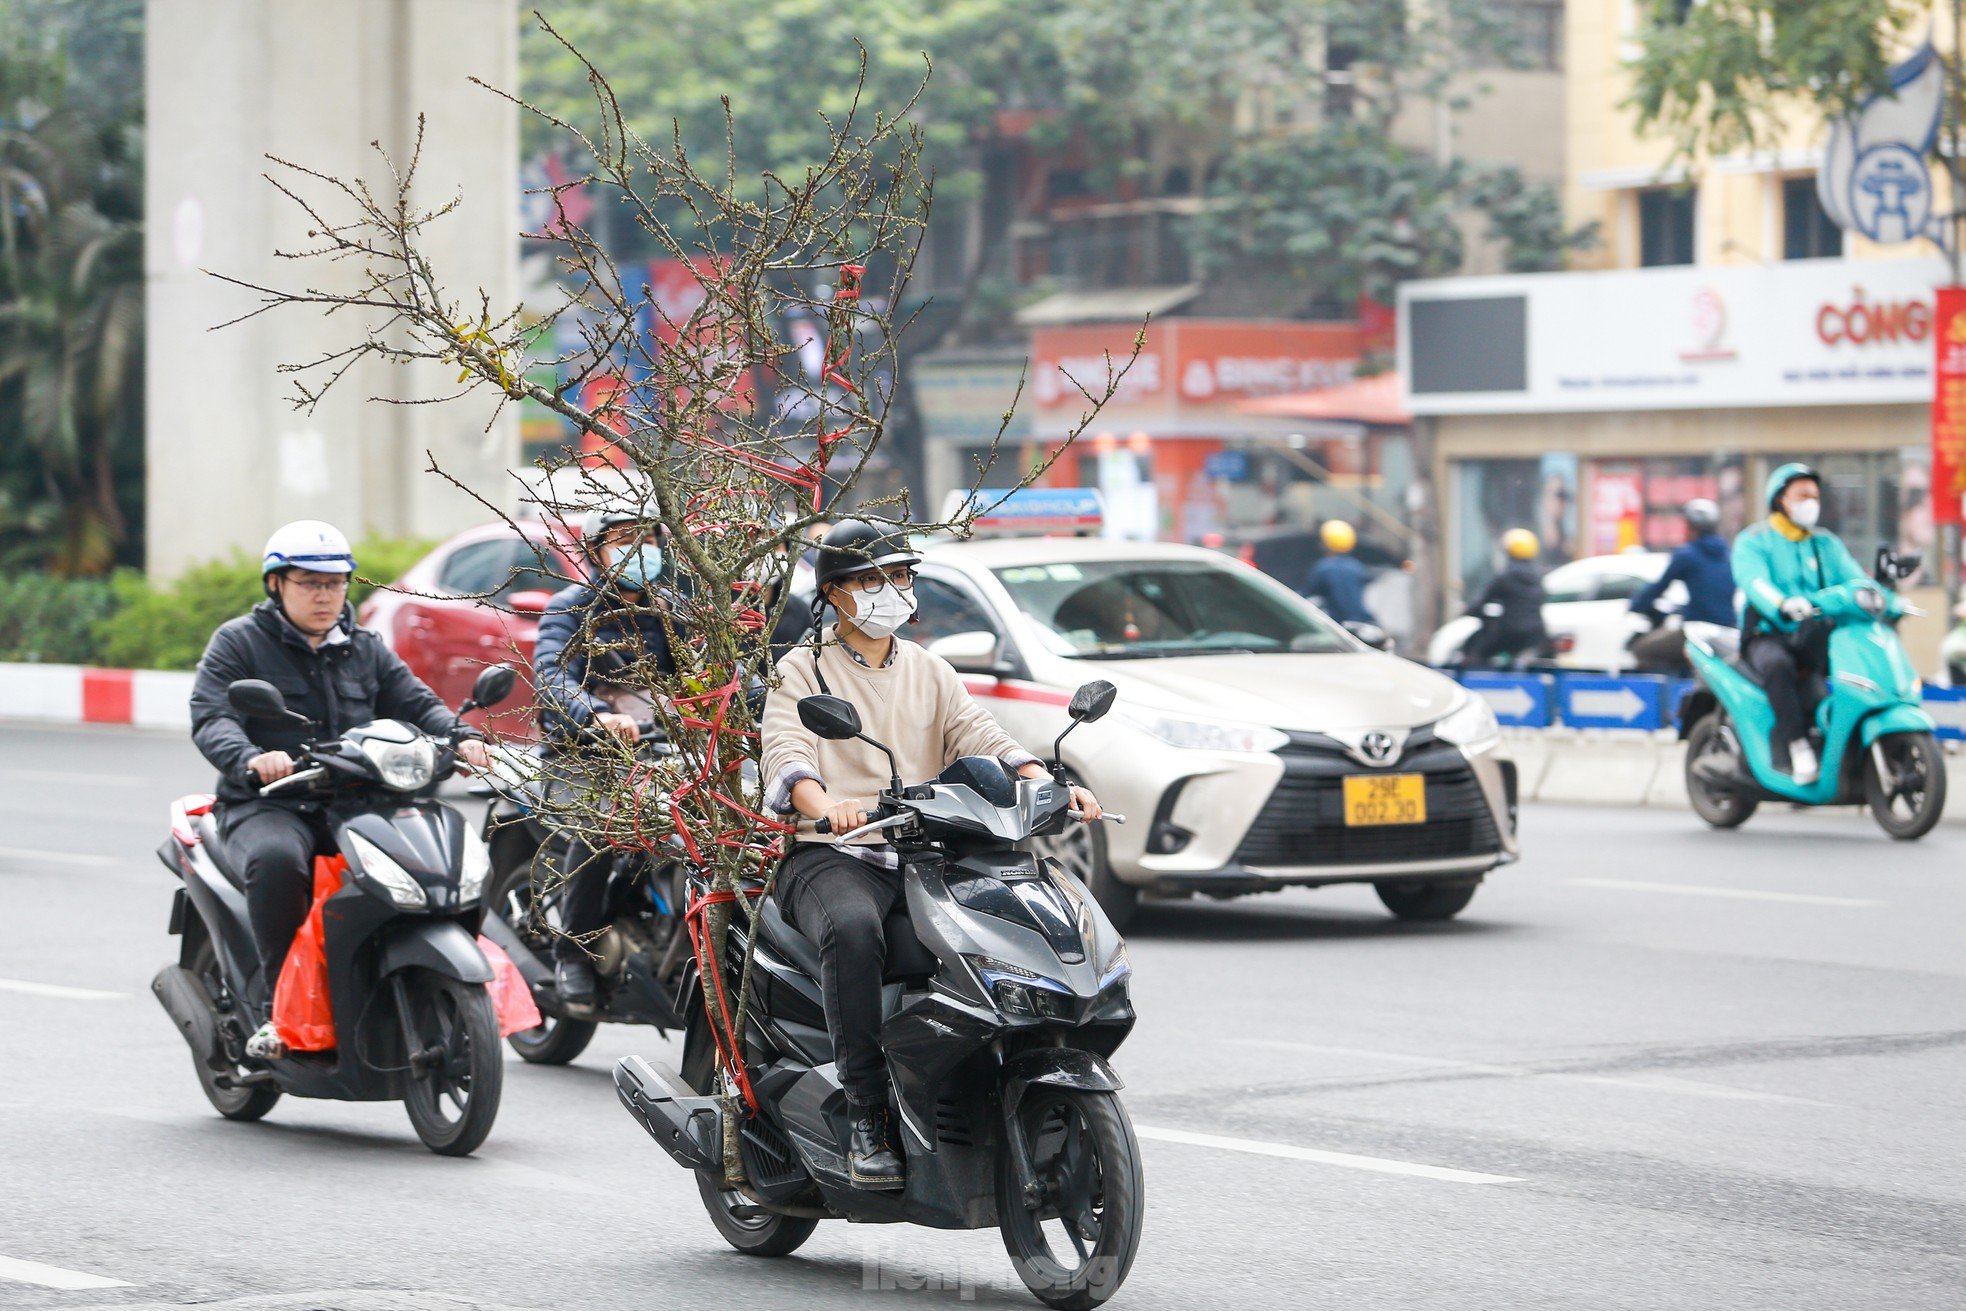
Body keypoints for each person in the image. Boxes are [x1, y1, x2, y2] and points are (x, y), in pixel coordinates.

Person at [760, 519, 1103, 1190]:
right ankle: (867, 1116)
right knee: (857, 933)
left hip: (921, 855)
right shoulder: (801, 669)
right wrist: (823, 802)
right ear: (833, 593)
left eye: (901, 576)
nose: (892, 590)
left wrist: (1041, 778)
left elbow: (979, 733)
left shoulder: (929, 667)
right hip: (833, 853)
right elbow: (788, 754)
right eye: (871, 579)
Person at [189, 521, 491, 1058]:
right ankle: (273, 1009)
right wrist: (252, 760)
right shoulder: (239, 643)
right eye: (309, 582)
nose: (325, 595)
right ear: (276, 584)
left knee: (435, 856)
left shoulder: (365, 648)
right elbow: (213, 717)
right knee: (279, 862)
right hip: (271, 804)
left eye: (335, 583)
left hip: (355, 801)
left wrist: (461, 737)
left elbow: (416, 703)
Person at [531, 505, 680, 1004]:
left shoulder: (672, 612)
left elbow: (709, 670)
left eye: (647, 538)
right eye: (623, 539)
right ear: (596, 551)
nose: (639, 549)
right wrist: (595, 715)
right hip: (583, 755)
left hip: (661, 752)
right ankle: (572, 951)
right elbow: (552, 678)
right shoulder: (570, 609)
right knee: (600, 826)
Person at [1733, 463, 1870, 784]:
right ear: (1781, 498)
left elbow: (1857, 581)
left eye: (1815, 496)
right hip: (1767, 635)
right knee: (1778, 666)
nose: (1811, 502)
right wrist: (1781, 603)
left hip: (1814, 636)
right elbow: (1755, 581)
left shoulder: (1825, 544)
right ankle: (1797, 747)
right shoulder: (1755, 540)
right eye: (1802, 495)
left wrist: (1888, 599)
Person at [1627, 498, 1737, 671]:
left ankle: (1669, 693)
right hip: (1729, 629)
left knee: (1641, 649)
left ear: (1691, 528)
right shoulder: (1728, 554)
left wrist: (1636, 604)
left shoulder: (1687, 555)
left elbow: (1658, 587)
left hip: (1695, 631)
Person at [1461, 528, 1548, 666]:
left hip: (1509, 632)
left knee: (1478, 652)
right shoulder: (1538, 577)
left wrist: (1467, 610)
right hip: (1536, 633)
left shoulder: (1505, 577)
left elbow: (1483, 600)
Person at [1303, 520, 1376, 626]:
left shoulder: (1324, 568)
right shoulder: (1357, 567)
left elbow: (1305, 595)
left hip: (1338, 626)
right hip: (1361, 624)